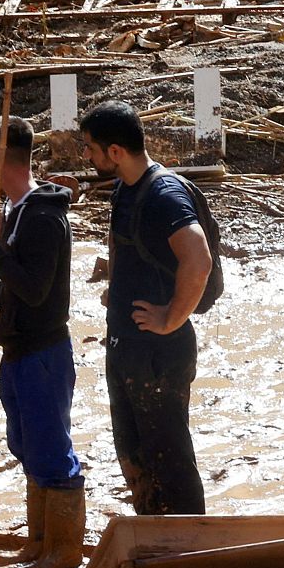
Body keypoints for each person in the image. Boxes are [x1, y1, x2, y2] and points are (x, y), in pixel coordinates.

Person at [82, 100, 211, 516]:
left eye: (91, 148)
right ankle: (155, 547)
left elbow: (199, 258)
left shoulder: (164, 195)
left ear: (115, 151)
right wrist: (115, 289)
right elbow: (124, 247)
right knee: (136, 458)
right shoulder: (125, 188)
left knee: (169, 461)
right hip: (129, 347)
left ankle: (189, 551)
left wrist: (172, 316)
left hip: (158, 353)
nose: (87, 156)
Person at [0, 116, 85, 568]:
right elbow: (29, 280)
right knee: (25, 443)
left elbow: (37, 288)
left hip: (43, 352)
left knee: (51, 448)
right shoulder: (16, 209)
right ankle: (39, 542)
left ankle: (63, 552)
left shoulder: (39, 215)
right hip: (20, 349)